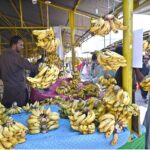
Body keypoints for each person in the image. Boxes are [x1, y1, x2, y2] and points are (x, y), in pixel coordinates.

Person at [0, 36, 38, 108]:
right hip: (18, 93)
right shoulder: (16, 57)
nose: (22, 47)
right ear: (14, 44)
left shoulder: (2, 57)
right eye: (20, 45)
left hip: (7, 92)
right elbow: (30, 67)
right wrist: (40, 66)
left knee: (7, 114)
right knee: (20, 114)